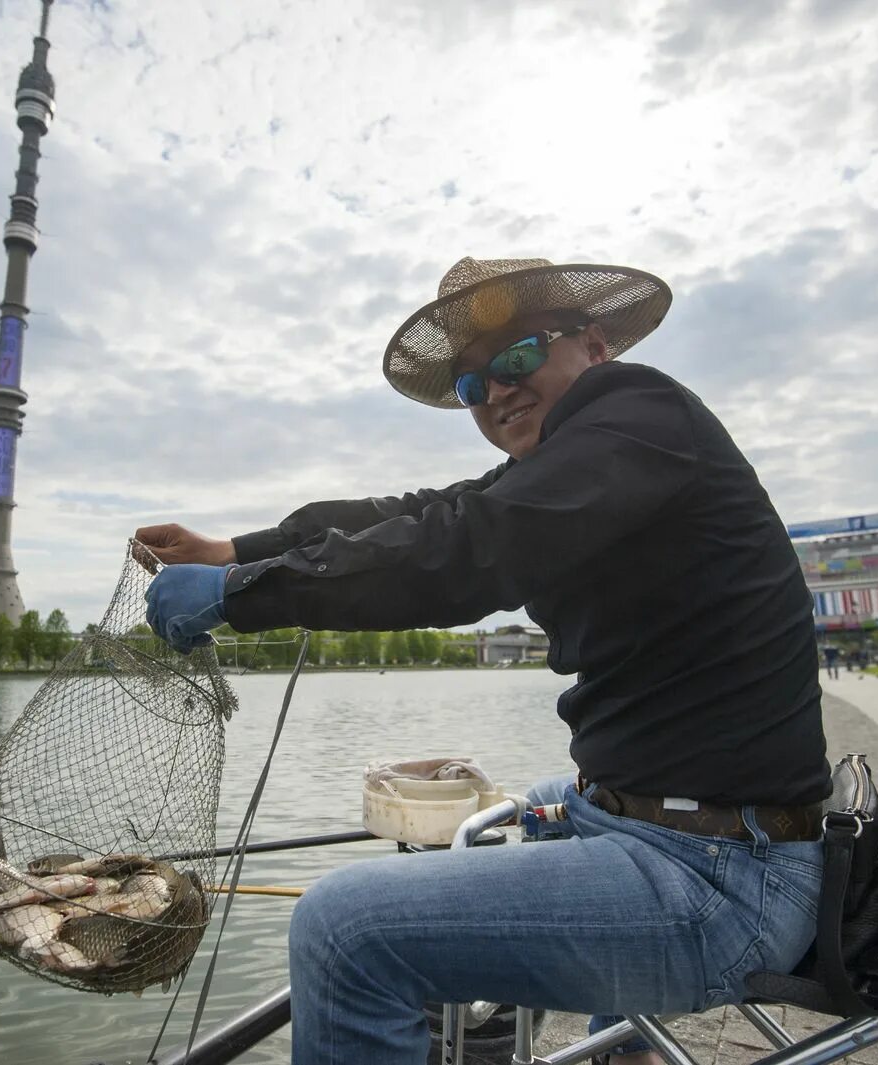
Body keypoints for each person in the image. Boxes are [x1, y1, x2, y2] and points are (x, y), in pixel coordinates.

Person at [137, 256, 830, 1064]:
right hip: (683, 833)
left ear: (595, 346)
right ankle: (624, 1050)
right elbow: (422, 511)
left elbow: (468, 546)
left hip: (726, 882)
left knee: (343, 927)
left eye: (518, 357)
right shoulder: (578, 457)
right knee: (535, 801)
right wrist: (236, 548)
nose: (496, 391)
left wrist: (240, 592)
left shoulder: (643, 415)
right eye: (472, 385)